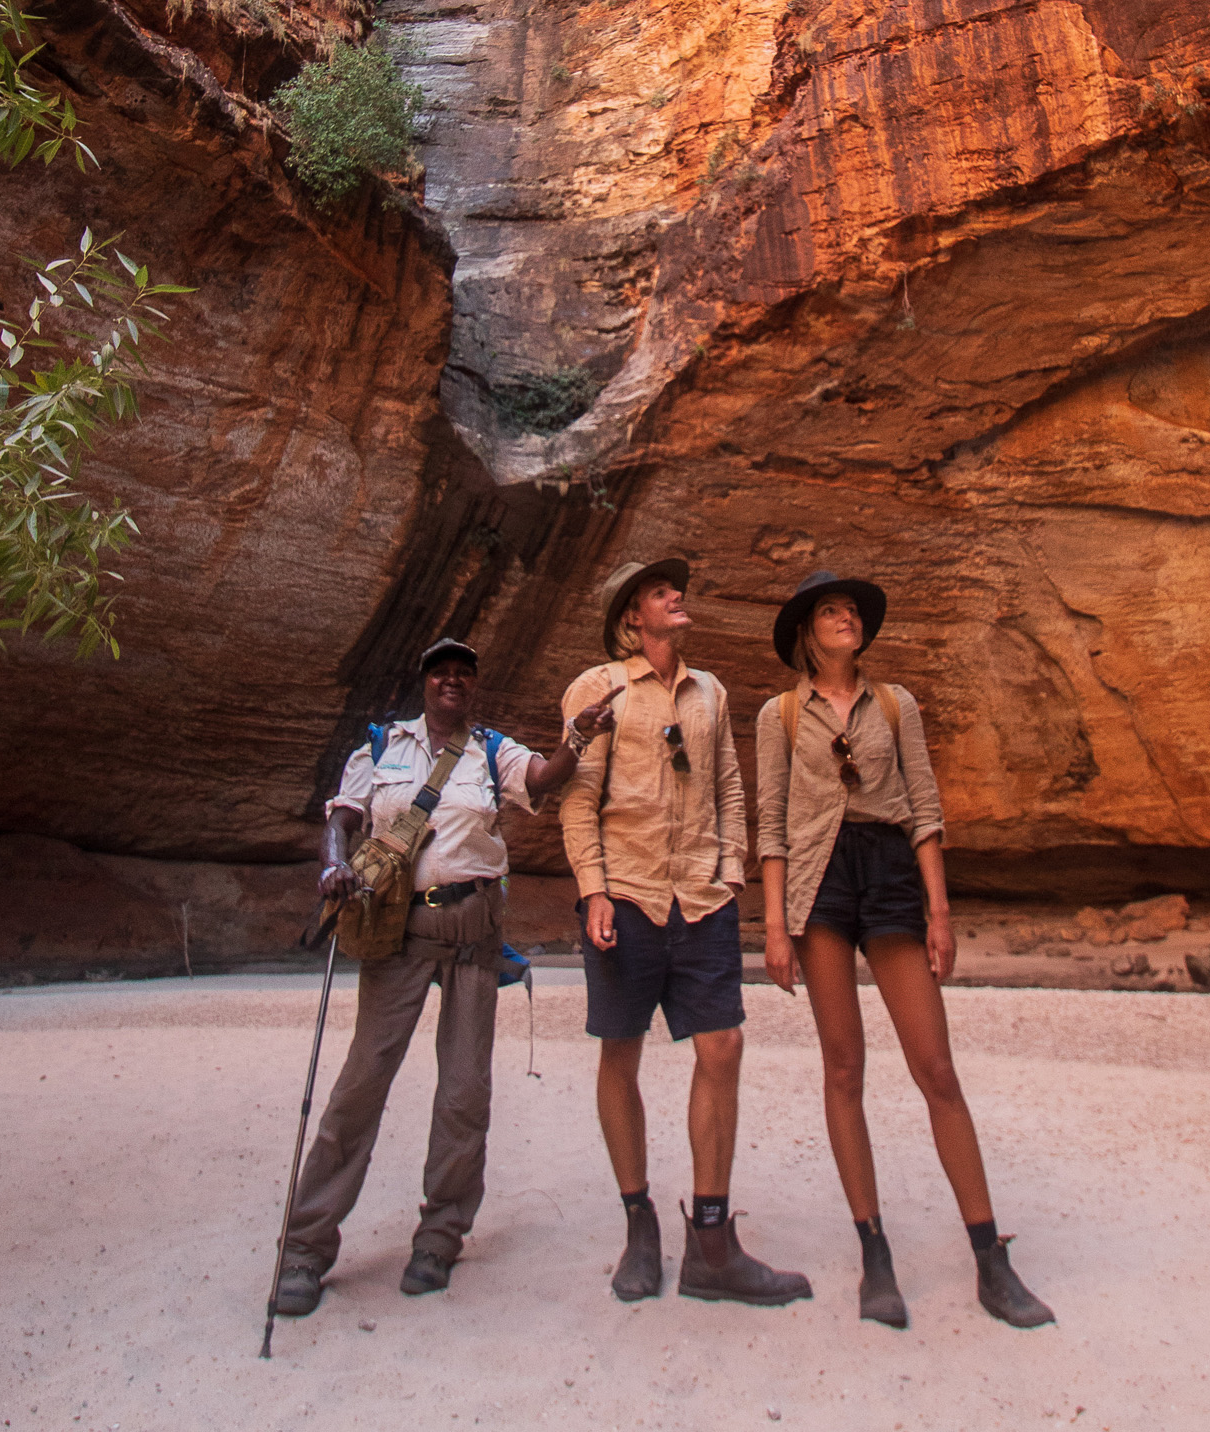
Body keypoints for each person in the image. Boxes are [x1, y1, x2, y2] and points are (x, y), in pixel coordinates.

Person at [271, 635, 605, 1316]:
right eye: (441, 673)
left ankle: (440, 1236)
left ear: (471, 687)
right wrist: (333, 863)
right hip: (398, 932)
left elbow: (542, 780)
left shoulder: (490, 750)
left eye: (463, 674)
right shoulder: (381, 746)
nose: (452, 681)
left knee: (463, 1093)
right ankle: (304, 1249)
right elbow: (342, 816)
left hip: (473, 933)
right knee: (359, 1089)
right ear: (423, 683)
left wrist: (576, 739)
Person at [757, 571, 1054, 1332]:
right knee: (845, 1067)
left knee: (937, 1067)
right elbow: (773, 824)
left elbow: (924, 806)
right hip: (819, 885)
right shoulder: (780, 714)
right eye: (831, 612)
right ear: (807, 633)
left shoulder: (896, 704)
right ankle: (874, 1252)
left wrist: (941, 912)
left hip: (888, 873)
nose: (846, 619)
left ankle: (990, 1256)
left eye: (852, 611)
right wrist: (772, 927)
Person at [560, 557, 810, 1309]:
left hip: (701, 898)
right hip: (627, 893)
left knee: (723, 1046)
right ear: (632, 615)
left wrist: (730, 867)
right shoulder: (596, 688)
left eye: (678, 588)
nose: (678, 596)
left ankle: (710, 1241)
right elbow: (578, 798)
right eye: (662, 590)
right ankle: (640, 1224)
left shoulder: (711, 692)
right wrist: (594, 890)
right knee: (620, 1051)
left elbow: (730, 784)